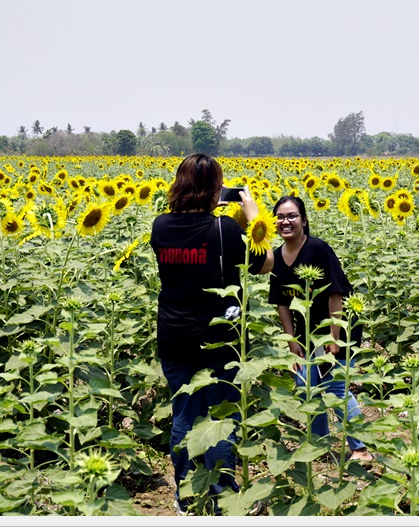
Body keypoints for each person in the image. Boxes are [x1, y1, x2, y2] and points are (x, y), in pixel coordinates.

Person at [150, 153, 274, 515]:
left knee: (185, 412)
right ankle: (221, 494)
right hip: (218, 335)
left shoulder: (160, 226)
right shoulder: (224, 229)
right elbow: (265, 263)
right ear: (215, 189)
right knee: (220, 417)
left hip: (173, 334)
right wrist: (251, 217)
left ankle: (186, 496)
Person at [268, 195, 373, 462]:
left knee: (336, 386)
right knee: (305, 386)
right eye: (280, 217)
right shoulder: (276, 258)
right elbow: (282, 303)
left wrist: (333, 337)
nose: (285, 221)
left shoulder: (318, 249)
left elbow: (335, 293)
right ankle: (320, 445)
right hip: (304, 334)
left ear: (304, 220)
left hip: (336, 327)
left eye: (292, 216)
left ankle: (360, 447)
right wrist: (292, 341)